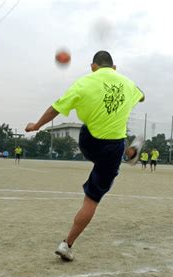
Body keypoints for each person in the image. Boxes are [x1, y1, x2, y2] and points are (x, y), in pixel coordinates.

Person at [25, 50, 144, 261]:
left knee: (102, 129)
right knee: (92, 200)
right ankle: (66, 244)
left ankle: (128, 152)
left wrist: (36, 125)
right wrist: (130, 92)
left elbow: (56, 108)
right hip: (113, 148)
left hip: (88, 141)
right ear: (114, 67)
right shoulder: (128, 83)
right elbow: (141, 95)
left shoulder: (84, 82)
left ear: (93, 67)